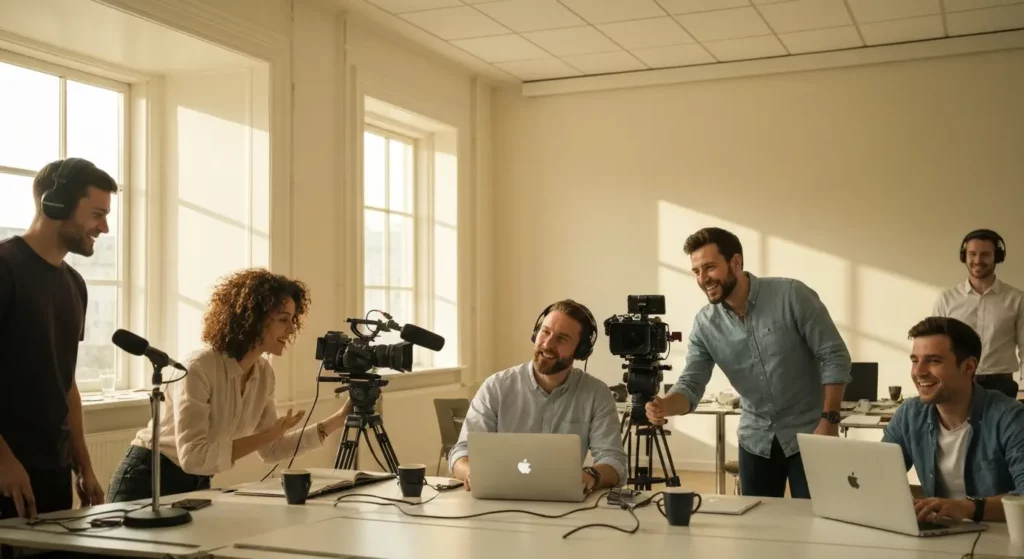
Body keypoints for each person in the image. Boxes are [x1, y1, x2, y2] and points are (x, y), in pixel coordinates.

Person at [107, 269, 353, 502]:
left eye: (292, 320)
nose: (291, 330)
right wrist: (268, 435)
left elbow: (271, 449)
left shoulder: (264, 372)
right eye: (283, 320)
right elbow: (194, 457)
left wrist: (339, 419)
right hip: (146, 478)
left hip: (197, 481)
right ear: (253, 319)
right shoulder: (199, 367)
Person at [646, 227, 851, 499]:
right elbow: (692, 383)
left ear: (736, 262)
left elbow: (834, 355)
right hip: (756, 442)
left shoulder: (791, 296)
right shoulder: (705, 324)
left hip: (812, 433)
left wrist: (830, 421)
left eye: (709, 267)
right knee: (757, 530)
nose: (702, 278)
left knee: (817, 524)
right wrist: (664, 406)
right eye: (696, 271)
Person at [0, 158, 118, 519]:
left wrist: (83, 465)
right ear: (57, 204)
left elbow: (65, 382)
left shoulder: (74, 285)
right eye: (97, 213)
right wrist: (3, 461)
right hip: (6, 470)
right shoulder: (4, 268)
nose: (105, 227)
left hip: (53, 472)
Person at [448, 299, 627, 494]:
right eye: (545, 332)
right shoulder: (496, 387)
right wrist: (472, 472)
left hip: (564, 506)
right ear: (536, 332)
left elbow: (614, 462)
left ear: (581, 350)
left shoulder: (596, 394)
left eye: (562, 338)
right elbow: (461, 452)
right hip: (500, 498)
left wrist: (591, 475)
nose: (548, 344)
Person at [883, 316, 1024, 523]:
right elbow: (881, 476)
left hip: (1001, 536)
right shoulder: (909, 414)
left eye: (933, 361)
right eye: (915, 360)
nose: (918, 372)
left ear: (968, 367)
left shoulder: (1011, 417)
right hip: (943, 533)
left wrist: (968, 508)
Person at [933, 229, 1023, 399]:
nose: (978, 260)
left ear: (997, 256)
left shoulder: (1017, 299)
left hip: (1001, 386)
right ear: (964, 256)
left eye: (985, 254)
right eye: (972, 254)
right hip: (956, 381)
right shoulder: (947, 299)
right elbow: (935, 345)